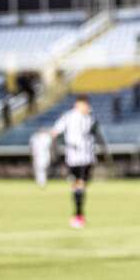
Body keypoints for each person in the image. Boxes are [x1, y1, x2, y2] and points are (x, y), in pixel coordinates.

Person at [51, 95, 109, 229]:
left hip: (86, 157)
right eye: (84, 105)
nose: (86, 107)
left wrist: (103, 150)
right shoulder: (68, 117)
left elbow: (96, 134)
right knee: (78, 185)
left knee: (80, 185)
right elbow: (55, 132)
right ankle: (78, 215)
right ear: (77, 105)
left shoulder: (90, 118)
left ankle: (78, 214)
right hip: (74, 157)